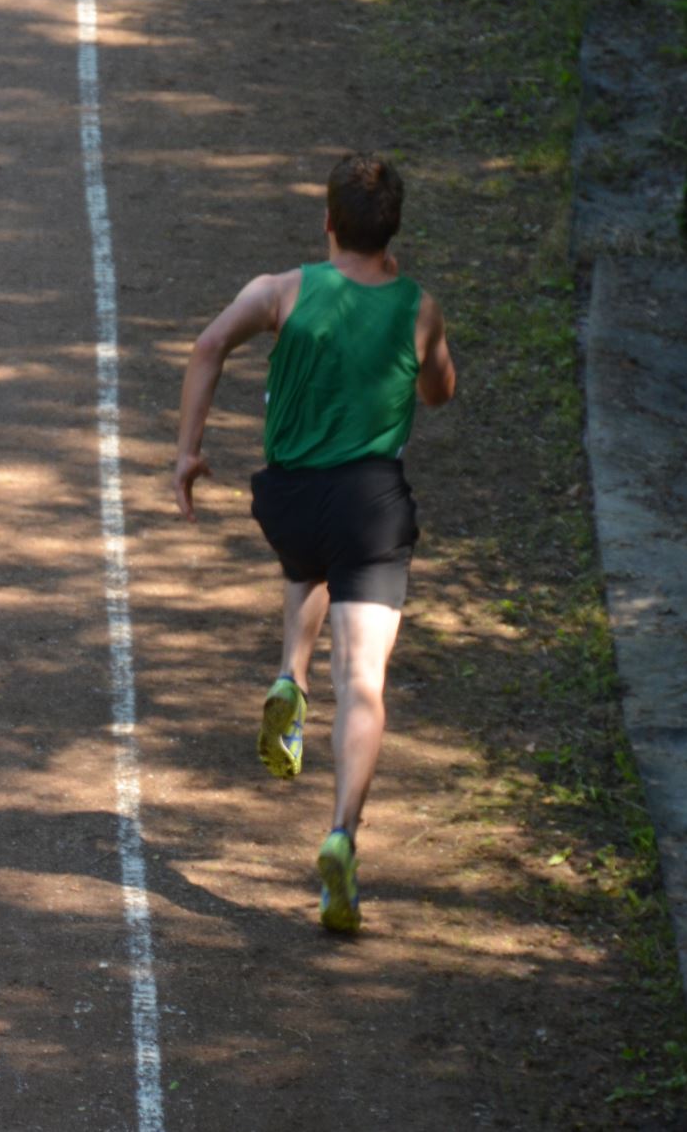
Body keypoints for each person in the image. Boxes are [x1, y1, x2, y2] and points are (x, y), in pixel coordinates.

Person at [171, 153, 456, 931]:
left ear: (326, 223)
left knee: (307, 567)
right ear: (391, 232)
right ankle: (340, 835)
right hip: (370, 503)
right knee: (364, 681)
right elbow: (439, 390)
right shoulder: (418, 306)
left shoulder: (279, 291)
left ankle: (287, 677)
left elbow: (206, 348)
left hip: (288, 499)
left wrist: (188, 451)